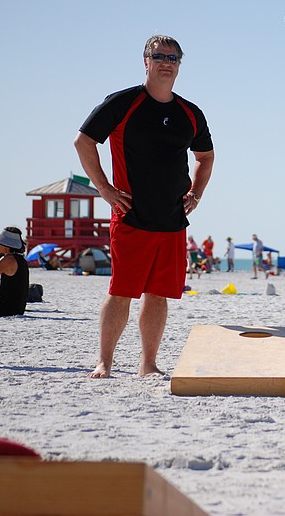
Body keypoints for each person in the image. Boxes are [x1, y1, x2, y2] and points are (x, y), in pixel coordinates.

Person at [74, 34, 214, 378]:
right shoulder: (123, 102)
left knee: (157, 295)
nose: (167, 63)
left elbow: (205, 156)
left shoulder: (189, 113)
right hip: (131, 216)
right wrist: (105, 189)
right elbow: (84, 141)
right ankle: (104, 362)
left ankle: (148, 364)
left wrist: (196, 192)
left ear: (180, 65)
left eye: (173, 58)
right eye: (159, 56)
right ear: (146, 61)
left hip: (172, 219)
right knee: (120, 292)